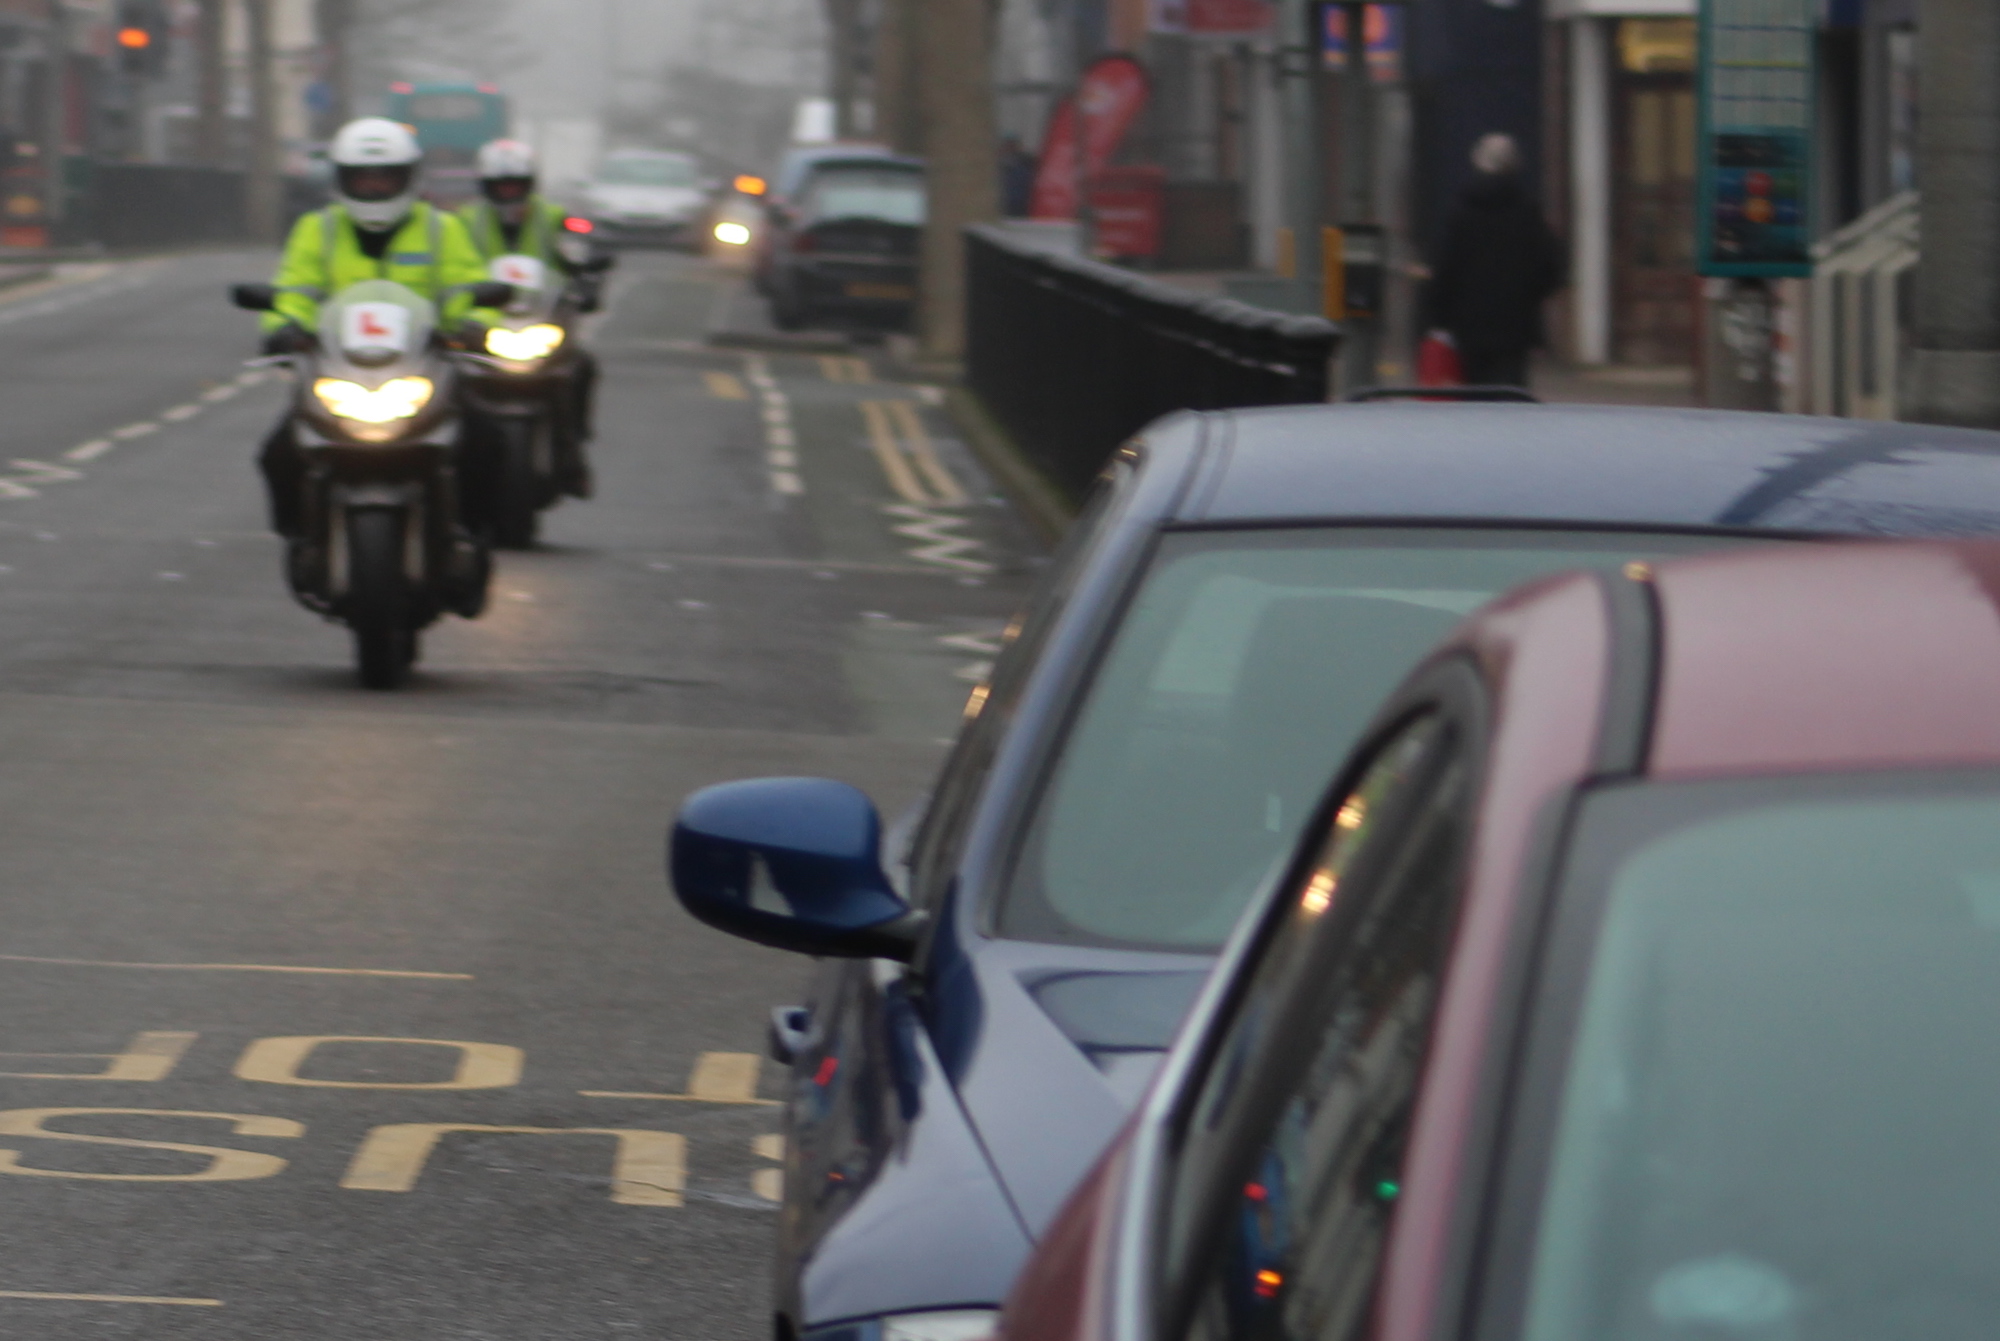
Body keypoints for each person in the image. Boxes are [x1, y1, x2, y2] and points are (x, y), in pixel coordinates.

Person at [257, 117, 494, 538]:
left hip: (423, 367)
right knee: (278, 454)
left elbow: (468, 287)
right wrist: (283, 325)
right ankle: (302, 539)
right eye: (362, 178)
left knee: (485, 443)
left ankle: (472, 538)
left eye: (386, 178)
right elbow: (293, 289)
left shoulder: (443, 229)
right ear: (341, 180)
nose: (374, 187)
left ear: (408, 178)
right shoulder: (318, 229)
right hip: (338, 369)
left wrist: (475, 324)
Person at [459, 137, 598, 497]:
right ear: (484, 187)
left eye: (516, 186)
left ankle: (572, 453)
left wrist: (587, 281)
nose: (509, 194)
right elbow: (445, 267)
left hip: (539, 319)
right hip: (483, 326)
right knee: (451, 377)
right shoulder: (462, 222)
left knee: (580, 367)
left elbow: (579, 253)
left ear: (530, 185)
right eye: (500, 187)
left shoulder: (553, 218)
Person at [1423, 133, 1566, 389]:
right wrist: (1528, 296)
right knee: (1511, 398)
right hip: (1515, 327)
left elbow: (1444, 270)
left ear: (1477, 162)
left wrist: (1438, 320)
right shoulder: (1528, 212)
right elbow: (1551, 267)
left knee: (1474, 398)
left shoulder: (1460, 213)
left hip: (1467, 327)